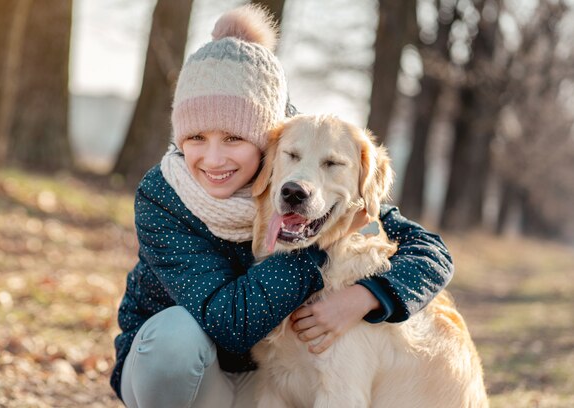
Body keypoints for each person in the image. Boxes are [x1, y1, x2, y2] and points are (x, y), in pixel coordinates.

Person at [111, 5, 453, 408]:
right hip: (183, 375)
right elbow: (230, 323)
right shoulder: (163, 197)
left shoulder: (303, 160)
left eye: (235, 139)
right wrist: (317, 248)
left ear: (264, 141)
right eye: (197, 137)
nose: (214, 158)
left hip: (266, 381)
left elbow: (433, 253)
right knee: (176, 339)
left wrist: (366, 296)